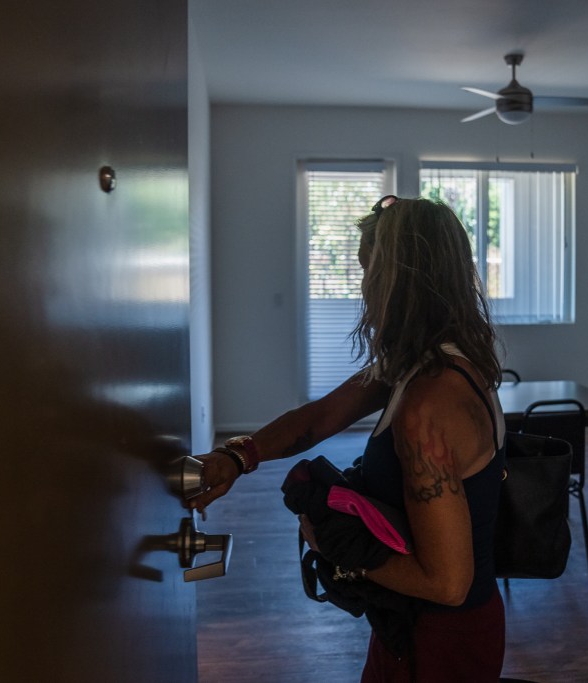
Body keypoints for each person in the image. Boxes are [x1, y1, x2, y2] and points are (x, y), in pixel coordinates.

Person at [190, 195, 507, 682]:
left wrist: (333, 546)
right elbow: (316, 420)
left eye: (369, 273)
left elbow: (447, 583)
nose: (364, 289)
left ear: (404, 281)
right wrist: (237, 457)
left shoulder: (427, 409)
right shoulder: (425, 363)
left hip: (441, 642)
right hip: (410, 625)